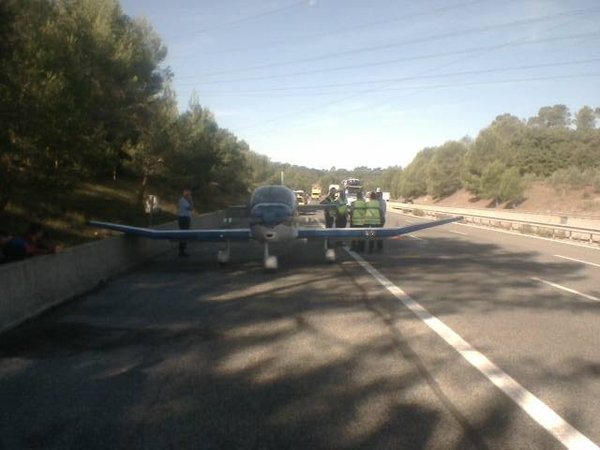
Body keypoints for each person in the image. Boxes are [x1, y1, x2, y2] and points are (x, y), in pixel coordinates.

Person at [177, 187, 193, 257]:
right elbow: (191, 208)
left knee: (185, 234)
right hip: (183, 219)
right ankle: (181, 251)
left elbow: (191, 208)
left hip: (186, 218)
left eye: (189, 193)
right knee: (183, 234)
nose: (189, 194)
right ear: (185, 193)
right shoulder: (183, 200)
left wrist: (190, 200)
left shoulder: (186, 200)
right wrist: (190, 200)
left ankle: (182, 250)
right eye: (188, 193)